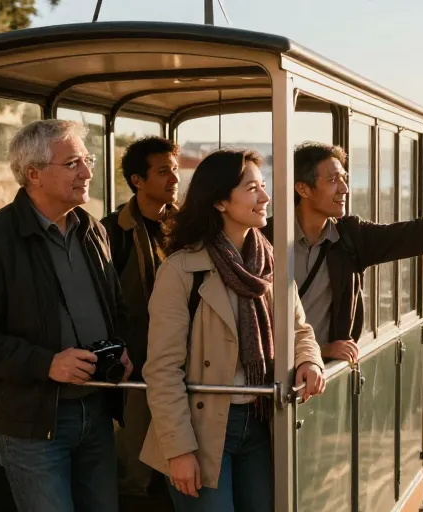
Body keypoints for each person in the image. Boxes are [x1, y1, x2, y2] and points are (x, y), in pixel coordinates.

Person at [0, 119, 132, 512]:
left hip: (97, 410)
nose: (87, 173)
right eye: (73, 163)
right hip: (32, 424)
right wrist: (47, 363)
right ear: (34, 174)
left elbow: (117, 307)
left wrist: (123, 348)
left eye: (88, 160)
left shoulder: (92, 230)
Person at [140, 148, 326, 512]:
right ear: (220, 202)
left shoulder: (270, 262)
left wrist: (309, 360)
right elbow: (162, 370)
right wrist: (179, 450)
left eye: (263, 186)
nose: (265, 197)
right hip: (202, 428)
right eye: (253, 189)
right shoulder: (180, 271)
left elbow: (299, 329)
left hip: (261, 421)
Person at [263, 142, 423, 363]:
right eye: (333, 180)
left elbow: (413, 235)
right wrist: (320, 351)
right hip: (268, 382)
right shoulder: (264, 240)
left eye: (344, 178)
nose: (344, 188)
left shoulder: (350, 238)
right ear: (303, 189)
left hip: (322, 384)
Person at [101, 136, 180, 503]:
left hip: (185, 365)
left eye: (175, 169)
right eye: (163, 171)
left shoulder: (190, 227)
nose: (174, 178)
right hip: (135, 371)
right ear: (137, 180)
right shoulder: (110, 232)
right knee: (136, 470)